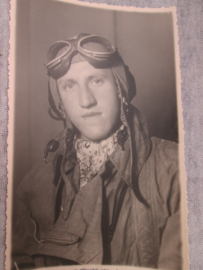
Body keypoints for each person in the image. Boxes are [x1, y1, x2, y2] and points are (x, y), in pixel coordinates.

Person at [12, 33, 181, 269]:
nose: (85, 100)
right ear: (58, 101)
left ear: (121, 88)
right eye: (69, 86)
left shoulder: (177, 171)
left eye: (97, 81)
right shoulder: (34, 184)